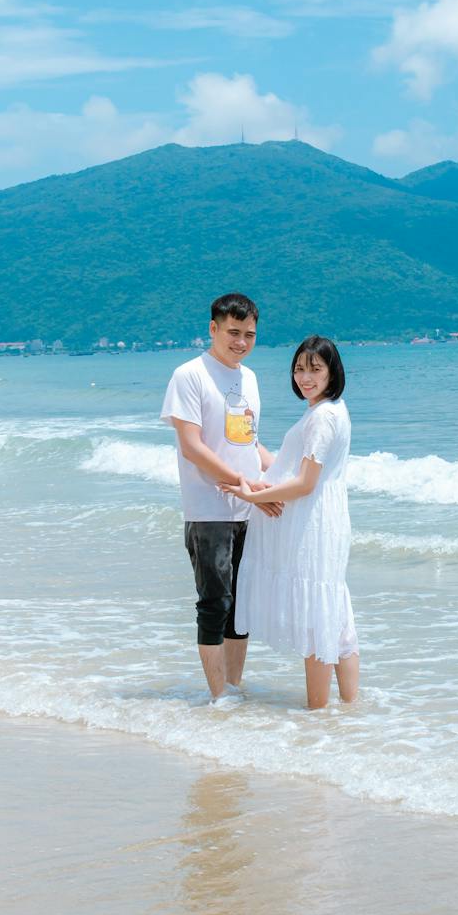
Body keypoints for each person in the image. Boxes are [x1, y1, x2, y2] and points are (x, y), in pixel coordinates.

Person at [231, 336, 360, 710]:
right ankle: (351, 709)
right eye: (300, 368)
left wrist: (253, 497)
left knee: (317, 616)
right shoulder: (330, 410)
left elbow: (305, 483)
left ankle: (318, 711)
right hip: (325, 517)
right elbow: (288, 468)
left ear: (332, 372)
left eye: (315, 369)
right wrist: (255, 462)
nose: (305, 377)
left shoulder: (322, 417)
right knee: (333, 612)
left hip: (313, 522)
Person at [160, 293, 277, 701]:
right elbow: (192, 446)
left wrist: (279, 474)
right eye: (233, 332)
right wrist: (243, 483)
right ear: (213, 329)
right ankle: (217, 699)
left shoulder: (250, 378)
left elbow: (249, 440)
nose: (241, 341)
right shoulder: (189, 375)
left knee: (241, 606)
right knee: (215, 603)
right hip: (208, 509)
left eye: (249, 334)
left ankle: (233, 688)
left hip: (249, 509)